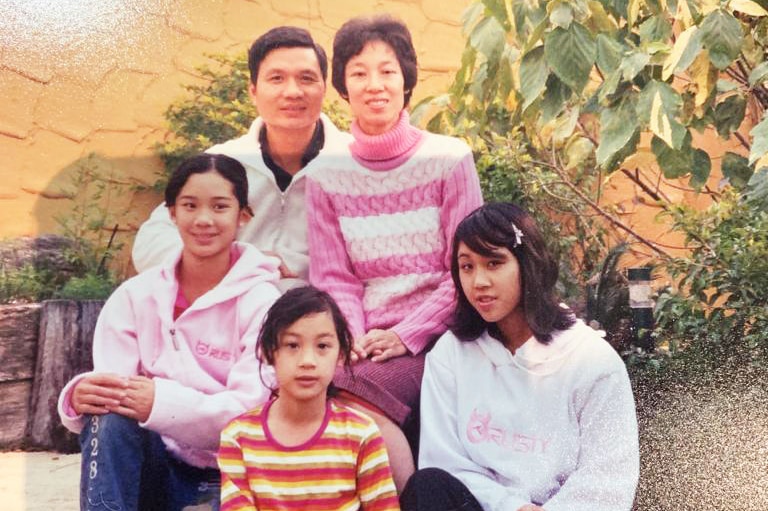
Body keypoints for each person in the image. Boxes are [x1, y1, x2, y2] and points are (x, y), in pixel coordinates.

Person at [305, 14, 484, 491]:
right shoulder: (324, 173)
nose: (374, 84)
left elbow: (465, 270)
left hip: (440, 335)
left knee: (352, 398)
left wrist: (406, 334)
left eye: (387, 70)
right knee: (305, 394)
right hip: (363, 339)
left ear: (406, 78)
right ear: (342, 84)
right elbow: (333, 278)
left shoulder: (449, 159)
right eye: (359, 72)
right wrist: (353, 338)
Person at [57, 153, 282, 511]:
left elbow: (250, 414)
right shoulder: (134, 297)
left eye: (220, 206)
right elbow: (116, 391)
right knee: (108, 417)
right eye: (190, 205)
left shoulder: (264, 303)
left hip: (235, 473)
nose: (204, 220)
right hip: (153, 466)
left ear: (243, 216)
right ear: (172, 213)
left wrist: (160, 404)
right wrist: (83, 395)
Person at [401, 202, 640, 511]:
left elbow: (607, 479)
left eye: (494, 263)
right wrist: (511, 507)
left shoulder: (592, 362)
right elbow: (444, 461)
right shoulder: (450, 353)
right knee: (427, 486)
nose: (479, 282)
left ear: (528, 265)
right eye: (467, 266)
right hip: (485, 507)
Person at [132, 26, 351, 291]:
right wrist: (236, 261)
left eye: (306, 78)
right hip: (232, 315)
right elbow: (150, 243)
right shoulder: (221, 163)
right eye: (277, 78)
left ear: (324, 89)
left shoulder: (354, 162)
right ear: (253, 91)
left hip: (324, 320)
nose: (293, 92)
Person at [218, 285, 401, 511]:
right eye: (292, 345)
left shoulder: (361, 434)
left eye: (322, 346)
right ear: (267, 352)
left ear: (341, 353)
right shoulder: (238, 437)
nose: (307, 360)